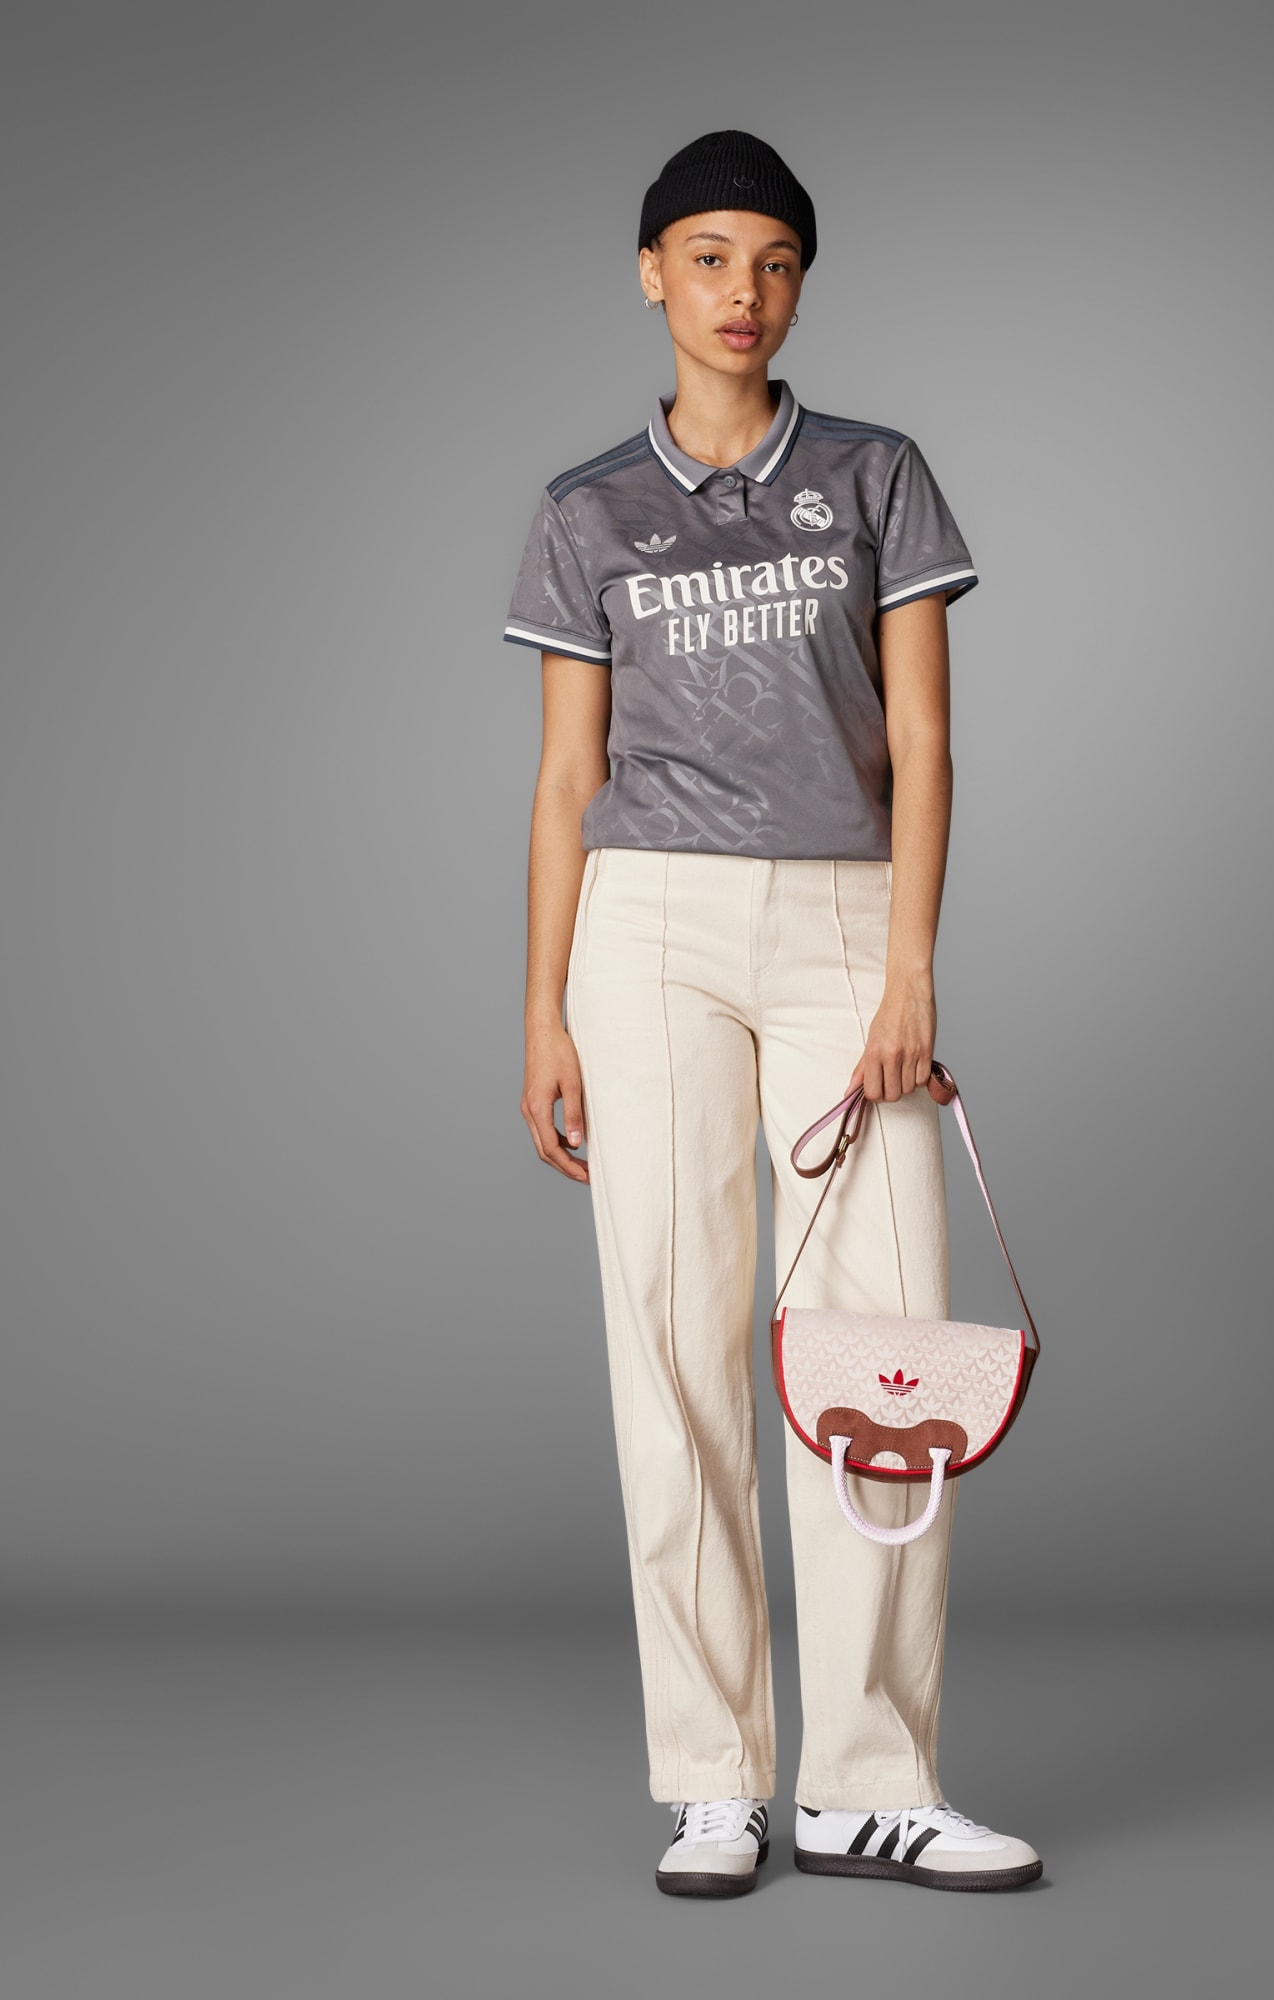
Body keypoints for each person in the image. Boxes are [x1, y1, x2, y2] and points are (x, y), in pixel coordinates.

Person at [506, 130, 1040, 1898]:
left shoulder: (877, 475)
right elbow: (564, 779)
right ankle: (714, 1778)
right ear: (652, 274)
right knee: (671, 1347)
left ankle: (871, 1781)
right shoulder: (589, 510)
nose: (746, 293)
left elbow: (929, 742)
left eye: (778, 262)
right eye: (711, 257)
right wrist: (542, 1011)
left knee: (879, 1347)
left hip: (840, 925)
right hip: (648, 929)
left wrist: (910, 967)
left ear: (803, 285)